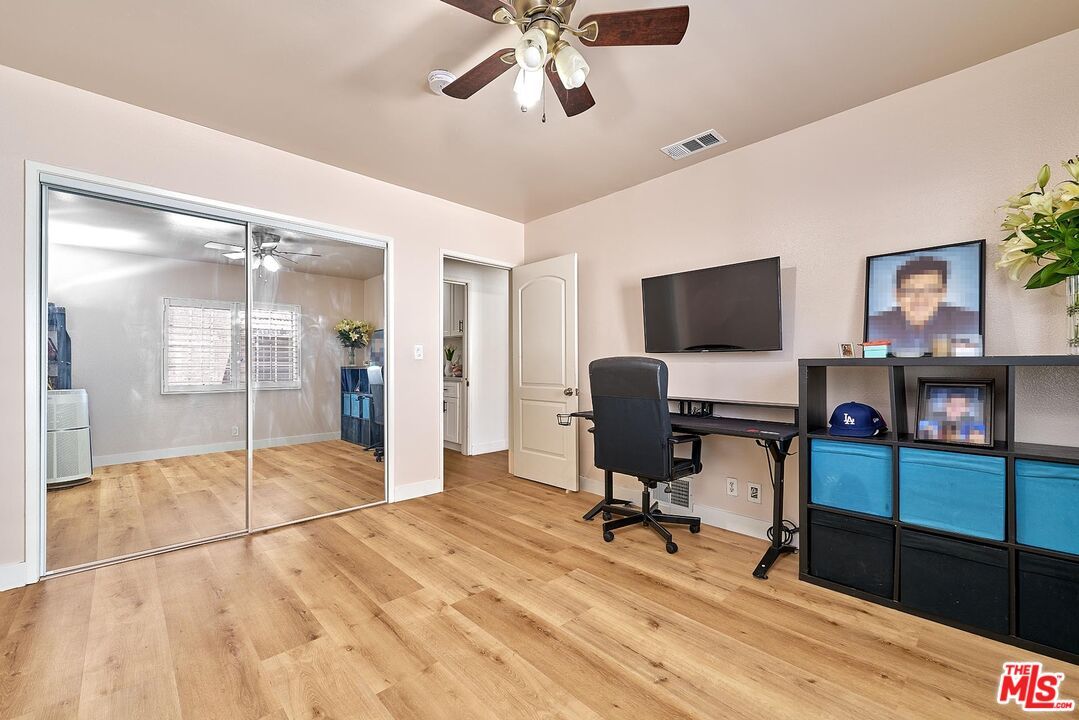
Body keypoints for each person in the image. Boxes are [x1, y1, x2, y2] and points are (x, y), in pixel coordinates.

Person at [867, 256, 980, 356]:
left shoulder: (970, 322)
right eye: (910, 290)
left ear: (942, 292)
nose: (920, 298)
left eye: (930, 290)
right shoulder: (875, 326)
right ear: (897, 294)